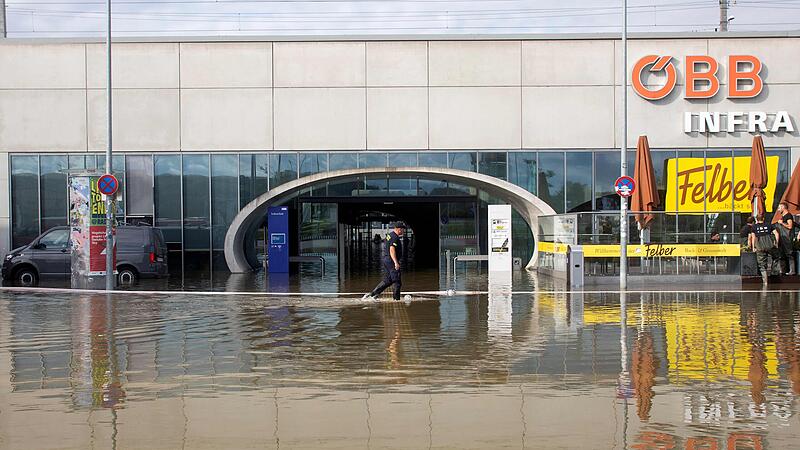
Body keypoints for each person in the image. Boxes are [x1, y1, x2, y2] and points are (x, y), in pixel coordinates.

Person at [363, 222, 406, 301]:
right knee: (397, 281)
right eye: (403, 229)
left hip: (387, 260)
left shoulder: (390, 235)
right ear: (399, 229)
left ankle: (372, 295)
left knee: (388, 280)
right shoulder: (395, 237)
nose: (404, 231)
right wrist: (396, 262)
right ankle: (396, 300)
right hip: (391, 261)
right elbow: (392, 250)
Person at [750, 214, 780, 285]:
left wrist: (753, 247)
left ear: (756, 220)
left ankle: (765, 281)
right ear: (763, 219)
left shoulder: (754, 227)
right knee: (776, 257)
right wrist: (776, 243)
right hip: (770, 245)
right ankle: (774, 272)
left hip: (760, 246)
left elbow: (753, 238)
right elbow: (776, 234)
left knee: (762, 264)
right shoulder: (769, 225)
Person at [774, 202, 795, 275]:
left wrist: (782, 223)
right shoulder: (783, 216)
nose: (778, 210)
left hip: (787, 238)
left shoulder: (788, 216)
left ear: (783, 207)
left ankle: (792, 271)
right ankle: (782, 271)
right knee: (781, 254)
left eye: (779, 208)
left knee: (789, 254)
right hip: (782, 238)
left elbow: (790, 226)